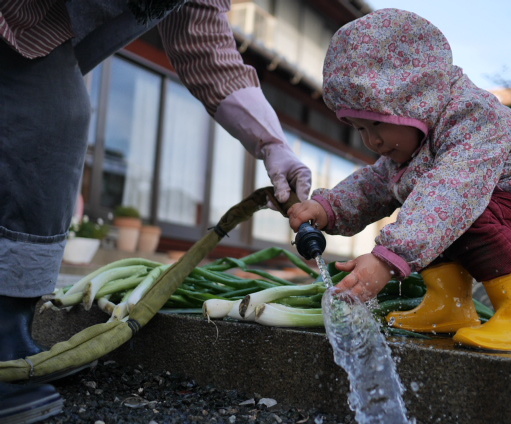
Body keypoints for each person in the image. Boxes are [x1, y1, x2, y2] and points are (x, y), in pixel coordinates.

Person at [0, 0, 311, 422]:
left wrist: (274, 145)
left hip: (40, 36)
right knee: (52, 114)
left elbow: (203, 36)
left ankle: (10, 334)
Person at [288, 8, 511, 353]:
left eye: (377, 124)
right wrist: (329, 207)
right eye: (359, 128)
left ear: (415, 101)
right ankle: (451, 306)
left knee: (446, 207)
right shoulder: (413, 145)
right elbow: (374, 184)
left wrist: (388, 259)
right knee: (428, 206)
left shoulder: (475, 117)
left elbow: (455, 190)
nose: (371, 140)